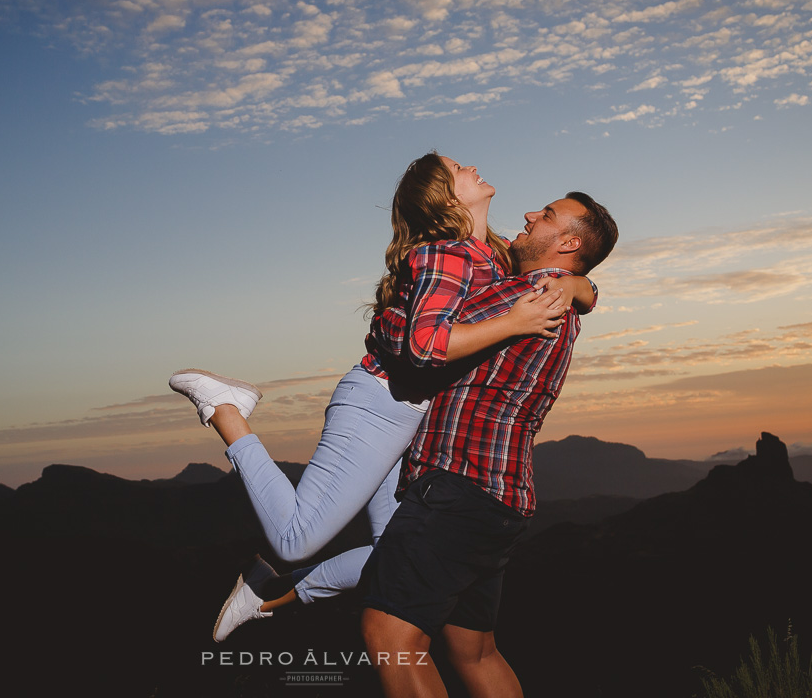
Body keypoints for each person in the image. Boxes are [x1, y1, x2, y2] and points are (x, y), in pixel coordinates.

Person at [168, 153, 597, 642]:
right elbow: (423, 344)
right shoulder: (447, 253)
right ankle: (226, 409)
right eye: (458, 168)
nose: (472, 166)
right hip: (379, 402)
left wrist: (577, 283)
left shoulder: (492, 255)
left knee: (396, 552)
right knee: (293, 540)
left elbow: (573, 287)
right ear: (447, 196)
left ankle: (277, 591)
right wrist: (514, 322)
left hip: (411, 417)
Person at [360, 191, 618, 698]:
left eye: (545, 215)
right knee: (474, 651)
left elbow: (420, 339)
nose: (528, 214)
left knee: (389, 637)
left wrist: (385, 317)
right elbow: (585, 290)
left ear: (567, 242)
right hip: (500, 498)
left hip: (459, 486)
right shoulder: (555, 293)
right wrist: (582, 284)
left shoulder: (529, 294)